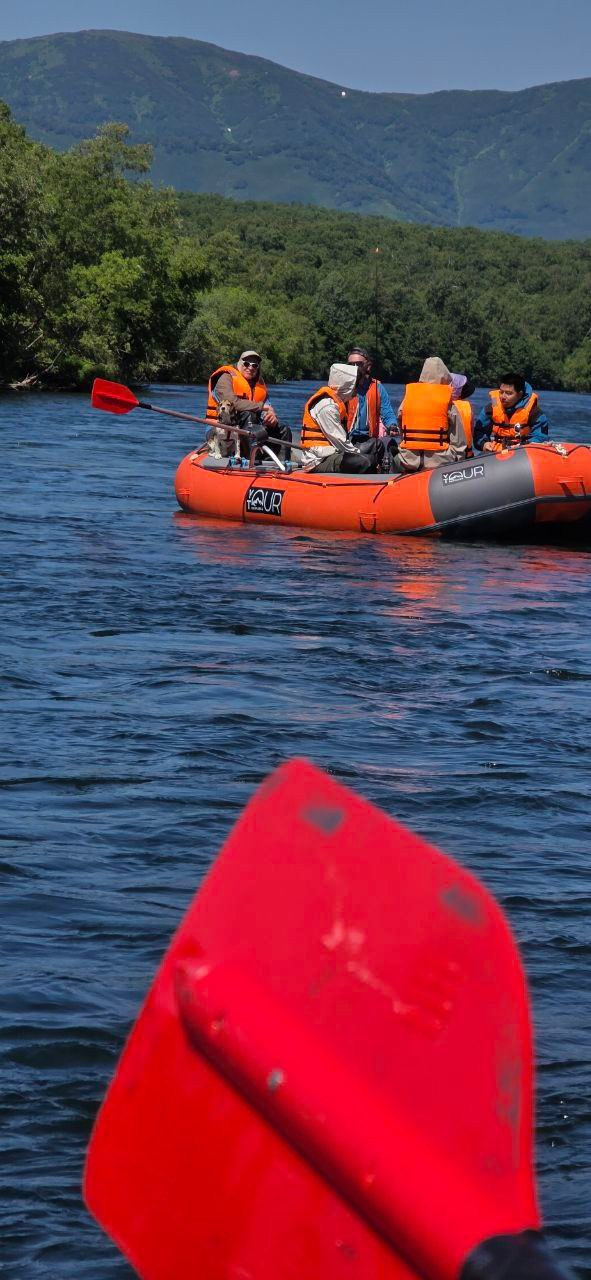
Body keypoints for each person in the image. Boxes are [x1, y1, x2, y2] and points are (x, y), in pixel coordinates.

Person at [205, 350, 292, 461]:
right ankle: (252, 460)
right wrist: (262, 407)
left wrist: (271, 417)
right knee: (248, 414)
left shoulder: (260, 384)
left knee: (283, 429)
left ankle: (283, 465)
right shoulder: (225, 378)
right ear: (239, 363)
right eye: (246, 364)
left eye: (255, 365)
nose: (250, 368)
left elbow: (268, 407)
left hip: (250, 430)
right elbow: (232, 402)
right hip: (220, 430)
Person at [300, 364, 385, 473]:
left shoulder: (337, 402)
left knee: (376, 445)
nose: (356, 392)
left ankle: (382, 474)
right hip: (319, 459)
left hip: (334, 451)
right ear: (346, 386)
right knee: (366, 461)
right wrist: (361, 454)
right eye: (355, 387)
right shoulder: (327, 407)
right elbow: (340, 441)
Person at [395, 357, 469, 472]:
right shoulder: (446, 400)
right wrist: (458, 459)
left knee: (394, 458)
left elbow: (400, 420)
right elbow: (458, 439)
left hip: (409, 460)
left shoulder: (408, 398)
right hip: (439, 462)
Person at [474, 375, 550, 453]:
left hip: (522, 453)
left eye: (508, 393)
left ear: (520, 394)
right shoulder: (490, 409)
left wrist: (523, 446)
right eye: (501, 392)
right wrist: (484, 443)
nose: (503, 396)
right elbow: (479, 431)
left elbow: (540, 437)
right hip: (495, 452)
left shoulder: (534, 412)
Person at [450, 372, 476, 456]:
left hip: (447, 453)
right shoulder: (468, 406)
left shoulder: (443, 406)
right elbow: (471, 431)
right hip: (465, 453)